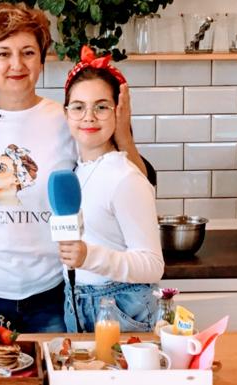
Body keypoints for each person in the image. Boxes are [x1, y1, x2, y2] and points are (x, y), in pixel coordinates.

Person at [0, 3, 148, 334]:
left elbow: (132, 181)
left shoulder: (68, 120)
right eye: (3, 54)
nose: (16, 64)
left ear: (42, 60)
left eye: (28, 52)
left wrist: (123, 134)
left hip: (52, 293)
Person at [59, 46, 165, 333]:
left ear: (118, 112)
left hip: (121, 307)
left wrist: (88, 257)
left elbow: (153, 265)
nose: (89, 117)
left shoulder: (125, 178)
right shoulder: (77, 171)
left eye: (101, 106)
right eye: (78, 106)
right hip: (77, 302)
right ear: (66, 113)